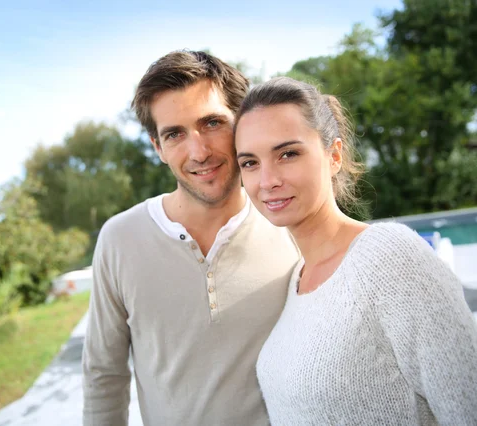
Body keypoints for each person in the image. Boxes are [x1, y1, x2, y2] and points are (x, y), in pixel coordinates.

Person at [234, 76, 477, 425]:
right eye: (250, 163)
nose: (267, 180)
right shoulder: (295, 280)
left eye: (288, 154)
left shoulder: (389, 257)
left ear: (333, 155)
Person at [82, 51, 299, 426]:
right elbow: (104, 375)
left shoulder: (289, 228)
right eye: (175, 134)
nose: (199, 152)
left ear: (241, 124)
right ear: (157, 147)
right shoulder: (119, 240)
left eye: (212, 122)